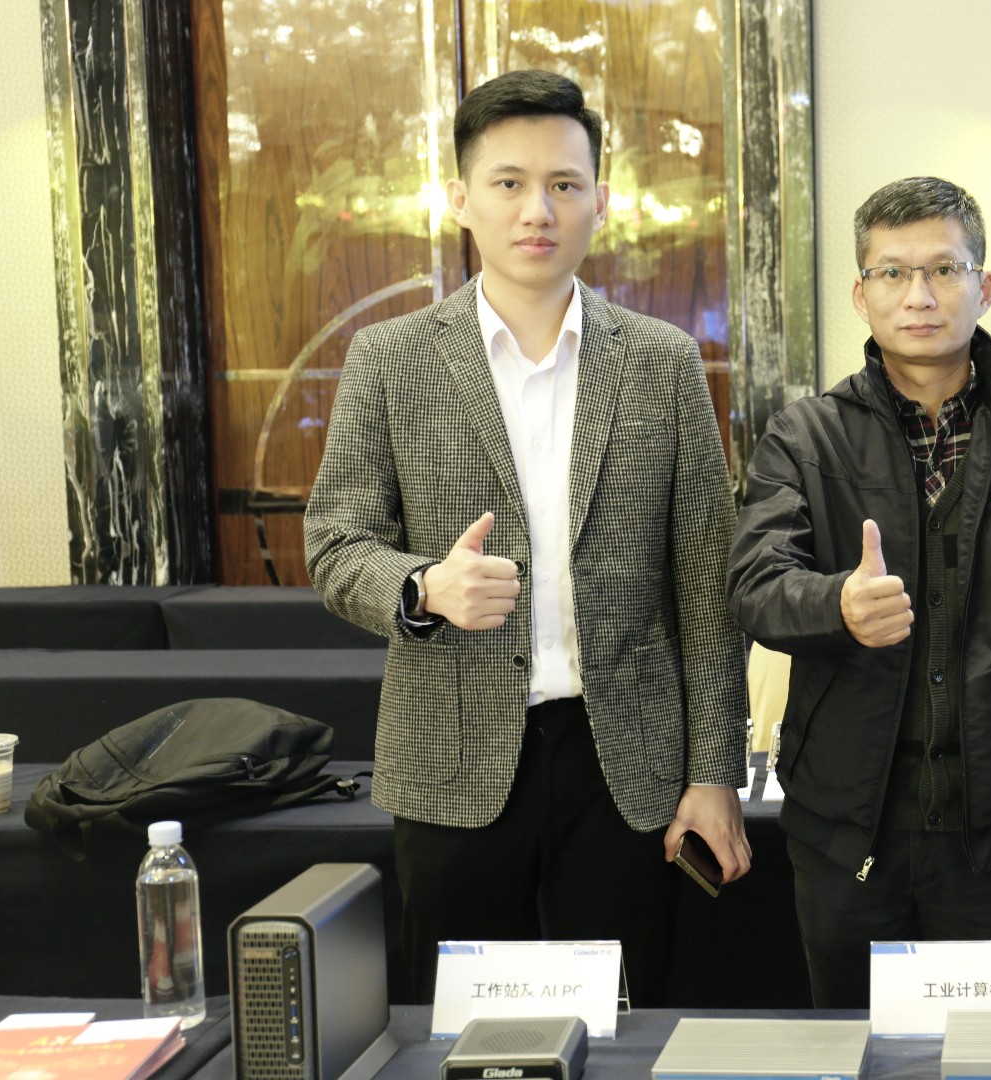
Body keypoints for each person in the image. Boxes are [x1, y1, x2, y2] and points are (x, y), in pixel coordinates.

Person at [304, 69, 749, 1004]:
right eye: (507, 182)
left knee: (627, 1020)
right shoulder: (390, 358)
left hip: (627, 761)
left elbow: (707, 589)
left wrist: (715, 773)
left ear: (600, 201)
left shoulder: (663, 361)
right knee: (464, 1030)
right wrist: (423, 586)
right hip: (451, 752)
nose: (536, 210)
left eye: (563, 184)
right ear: (461, 199)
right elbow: (336, 543)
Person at [728, 176, 991, 1007]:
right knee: (853, 1046)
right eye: (893, 272)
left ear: (985, 287)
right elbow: (756, 585)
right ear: (861, 294)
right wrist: (836, 606)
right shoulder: (804, 437)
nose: (919, 295)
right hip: (844, 830)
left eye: (945, 270)